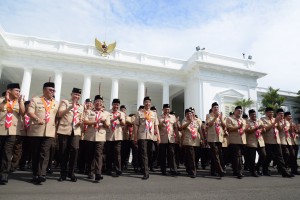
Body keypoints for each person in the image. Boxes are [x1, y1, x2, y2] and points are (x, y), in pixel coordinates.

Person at [27, 82, 59, 184]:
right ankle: (35, 173)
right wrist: (37, 118)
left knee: (44, 153)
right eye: (50, 90)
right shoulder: (35, 100)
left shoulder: (56, 103)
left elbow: (58, 116)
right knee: (36, 153)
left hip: (49, 132)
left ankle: (41, 174)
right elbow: (30, 112)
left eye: (54, 90)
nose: (52, 92)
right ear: (44, 90)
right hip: (36, 131)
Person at [56, 88, 84, 182]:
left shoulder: (81, 106)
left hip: (75, 131)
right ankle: (63, 173)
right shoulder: (65, 102)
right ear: (71, 94)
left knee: (75, 150)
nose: (77, 96)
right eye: (75, 94)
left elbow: (81, 118)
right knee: (63, 152)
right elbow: (60, 114)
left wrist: (81, 121)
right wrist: (70, 107)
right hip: (64, 130)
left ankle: (71, 173)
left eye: (79, 95)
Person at [0, 83, 25, 184]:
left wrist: (21, 102)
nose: (18, 93)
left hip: (12, 131)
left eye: (19, 91)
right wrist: (6, 100)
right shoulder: (1, 100)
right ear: (9, 91)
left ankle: (4, 175)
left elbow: (23, 113)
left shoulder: (18, 102)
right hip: (1, 129)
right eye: (16, 91)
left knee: (7, 152)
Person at [83, 95, 110, 182]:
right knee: (90, 155)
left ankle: (98, 173)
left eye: (101, 102)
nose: (99, 103)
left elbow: (108, 125)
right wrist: (96, 121)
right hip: (90, 136)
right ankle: (90, 171)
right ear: (94, 103)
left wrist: (104, 121)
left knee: (99, 154)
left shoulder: (106, 113)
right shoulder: (89, 112)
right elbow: (85, 121)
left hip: (101, 136)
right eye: (97, 101)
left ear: (102, 104)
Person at [261, 107, 293, 177]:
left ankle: (284, 172)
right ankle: (264, 169)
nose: (271, 114)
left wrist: (279, 123)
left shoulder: (275, 119)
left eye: (272, 112)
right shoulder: (263, 119)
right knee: (269, 156)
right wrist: (275, 122)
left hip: (277, 140)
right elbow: (266, 129)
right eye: (270, 112)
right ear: (266, 113)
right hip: (268, 141)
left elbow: (280, 129)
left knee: (280, 157)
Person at [134, 96, 160, 180]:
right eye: (146, 102)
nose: (147, 103)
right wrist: (135, 136)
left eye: (149, 102)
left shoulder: (154, 114)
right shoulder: (139, 113)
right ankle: (146, 172)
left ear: (150, 103)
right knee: (143, 153)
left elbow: (156, 125)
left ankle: (145, 167)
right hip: (142, 135)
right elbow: (136, 125)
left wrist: (158, 136)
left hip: (151, 135)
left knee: (150, 153)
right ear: (143, 103)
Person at [158, 104, 180, 175]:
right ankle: (163, 170)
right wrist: (163, 121)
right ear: (162, 110)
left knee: (172, 154)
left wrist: (177, 137)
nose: (167, 111)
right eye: (165, 109)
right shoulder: (159, 117)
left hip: (171, 138)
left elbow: (175, 127)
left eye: (168, 109)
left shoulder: (173, 117)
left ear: (169, 110)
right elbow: (158, 126)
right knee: (163, 155)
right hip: (163, 138)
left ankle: (173, 169)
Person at [206, 102, 226, 178]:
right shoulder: (209, 115)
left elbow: (224, 126)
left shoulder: (221, 116)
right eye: (214, 108)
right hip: (212, 138)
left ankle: (213, 170)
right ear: (212, 109)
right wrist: (215, 117)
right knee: (215, 154)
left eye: (217, 108)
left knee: (217, 154)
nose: (216, 109)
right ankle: (220, 171)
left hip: (219, 137)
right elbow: (209, 124)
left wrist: (220, 118)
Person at [226, 106, 247, 179]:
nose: (239, 112)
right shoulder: (230, 119)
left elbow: (244, 129)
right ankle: (239, 172)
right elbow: (229, 128)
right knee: (238, 156)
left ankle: (236, 170)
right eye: (238, 111)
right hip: (234, 140)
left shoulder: (243, 120)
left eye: (241, 111)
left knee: (238, 156)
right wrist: (238, 127)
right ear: (234, 111)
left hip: (242, 140)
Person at [106, 99, 125, 176]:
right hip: (109, 135)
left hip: (118, 135)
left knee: (117, 153)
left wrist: (120, 118)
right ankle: (108, 169)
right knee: (108, 153)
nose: (116, 106)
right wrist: (114, 118)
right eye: (115, 104)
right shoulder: (107, 112)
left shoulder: (121, 113)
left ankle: (118, 169)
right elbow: (107, 122)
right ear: (112, 104)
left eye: (117, 105)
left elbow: (123, 123)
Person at [181, 108, 202, 178]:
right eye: (187, 114)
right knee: (191, 157)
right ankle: (193, 172)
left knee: (193, 157)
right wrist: (189, 122)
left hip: (196, 141)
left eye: (190, 113)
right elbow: (182, 127)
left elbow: (200, 130)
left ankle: (189, 169)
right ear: (186, 115)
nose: (189, 115)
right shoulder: (184, 120)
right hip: (188, 142)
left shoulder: (197, 121)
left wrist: (202, 138)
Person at [245, 109, 266, 177]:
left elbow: (263, 129)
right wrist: (256, 128)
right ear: (249, 115)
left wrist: (263, 129)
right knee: (252, 158)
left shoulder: (259, 121)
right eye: (252, 114)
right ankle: (253, 171)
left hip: (260, 140)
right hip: (251, 141)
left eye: (254, 114)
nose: (254, 115)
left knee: (263, 155)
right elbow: (248, 131)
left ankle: (257, 167)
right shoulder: (247, 122)